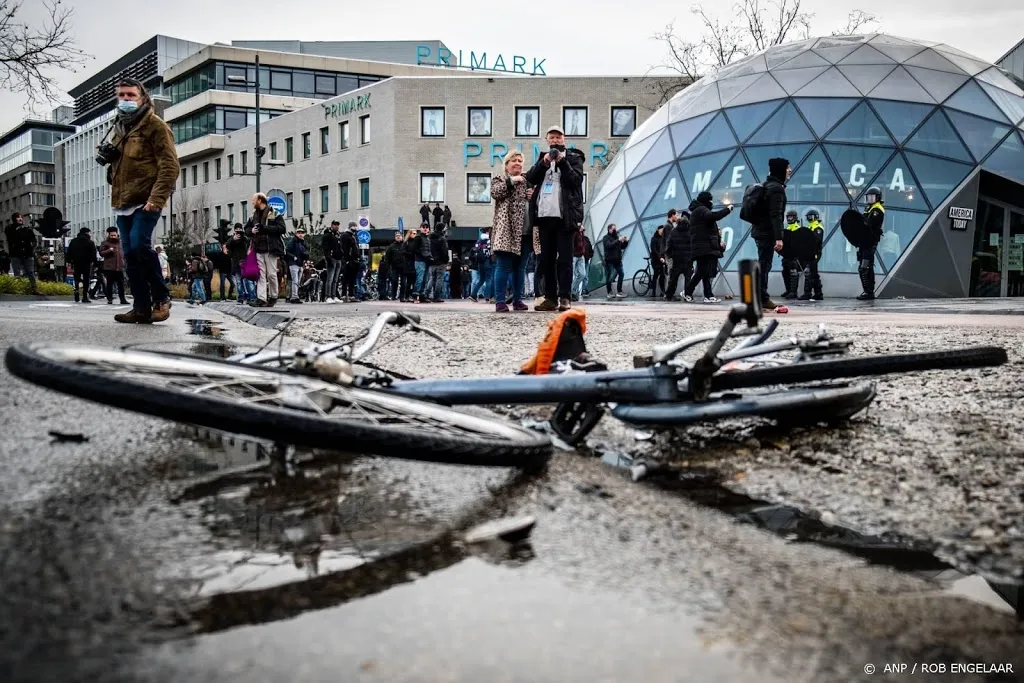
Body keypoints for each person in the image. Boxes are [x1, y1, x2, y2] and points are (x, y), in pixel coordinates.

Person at [103, 77, 178, 324]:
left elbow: (170, 165)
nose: (125, 100)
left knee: (138, 246)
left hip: (147, 199)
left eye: (131, 95)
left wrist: (156, 198)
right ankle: (141, 307)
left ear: (143, 98)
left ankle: (162, 298)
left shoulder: (155, 126)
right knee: (131, 256)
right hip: (123, 201)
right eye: (122, 95)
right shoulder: (118, 127)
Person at [525, 125, 586, 312]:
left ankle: (565, 297)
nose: (555, 141)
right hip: (544, 216)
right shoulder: (542, 158)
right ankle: (550, 297)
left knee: (565, 259)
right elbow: (531, 178)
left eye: (558, 137)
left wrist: (561, 161)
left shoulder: (574, 158)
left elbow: (575, 181)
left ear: (564, 139)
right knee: (546, 260)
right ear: (547, 139)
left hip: (564, 217)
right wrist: (543, 163)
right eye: (551, 137)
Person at [489, 149, 532, 313]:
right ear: (506, 165)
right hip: (506, 231)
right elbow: (495, 192)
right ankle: (500, 301)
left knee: (520, 268)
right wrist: (512, 181)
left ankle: (517, 299)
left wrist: (532, 195)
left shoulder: (527, 181)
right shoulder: (500, 179)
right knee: (503, 266)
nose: (517, 164)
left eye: (520, 161)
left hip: (525, 231)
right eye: (514, 161)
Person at [750, 157, 790, 311]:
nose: (790, 170)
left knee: (763, 264)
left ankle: (760, 297)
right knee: (765, 265)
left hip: (759, 232)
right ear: (780, 169)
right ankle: (762, 299)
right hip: (766, 233)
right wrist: (779, 238)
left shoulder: (767, 185)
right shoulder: (776, 188)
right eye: (787, 167)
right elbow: (776, 214)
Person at [684, 192, 731, 303]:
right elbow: (714, 216)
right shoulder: (701, 210)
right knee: (703, 272)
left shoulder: (698, 210)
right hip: (704, 247)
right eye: (710, 200)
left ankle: (706, 295)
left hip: (704, 246)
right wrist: (728, 210)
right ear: (705, 200)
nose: (712, 202)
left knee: (704, 272)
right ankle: (695, 293)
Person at [243, 192, 286, 307]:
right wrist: (251, 231)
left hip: (271, 249)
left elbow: (282, 228)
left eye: (254, 200)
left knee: (271, 274)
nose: (252, 202)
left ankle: (273, 296)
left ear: (260, 200)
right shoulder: (253, 216)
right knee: (261, 274)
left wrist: (265, 228)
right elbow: (246, 229)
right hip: (258, 249)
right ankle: (261, 298)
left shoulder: (274, 214)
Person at [859, 186, 885, 301]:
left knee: (865, 266)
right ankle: (867, 291)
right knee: (863, 266)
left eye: (872, 197)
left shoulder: (877, 210)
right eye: (868, 197)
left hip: (870, 241)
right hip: (864, 241)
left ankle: (869, 292)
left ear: (877, 198)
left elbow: (868, 224)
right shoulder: (869, 208)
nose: (869, 199)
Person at [664, 210, 693, 301]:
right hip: (688, 259)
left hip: (677, 259)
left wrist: (670, 255)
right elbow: (693, 244)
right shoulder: (690, 232)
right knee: (688, 278)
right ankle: (688, 295)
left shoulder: (674, 231)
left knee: (673, 279)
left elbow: (669, 245)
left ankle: (669, 295)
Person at [6, 212, 38, 293]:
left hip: (27, 253)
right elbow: (10, 238)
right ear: (14, 219)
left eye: (21, 217)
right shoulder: (10, 228)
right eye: (18, 217)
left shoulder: (27, 229)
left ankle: (34, 288)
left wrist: (32, 247)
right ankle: (18, 289)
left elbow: (34, 240)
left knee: (30, 272)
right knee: (17, 272)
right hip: (16, 253)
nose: (20, 219)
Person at [798, 209, 825, 301]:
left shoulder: (817, 227)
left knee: (809, 272)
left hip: (814, 253)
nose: (810, 218)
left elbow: (816, 240)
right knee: (814, 274)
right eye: (808, 217)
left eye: (811, 216)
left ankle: (807, 293)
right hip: (808, 252)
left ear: (816, 217)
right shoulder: (809, 227)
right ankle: (818, 293)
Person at [98, 227, 129, 304]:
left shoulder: (121, 243)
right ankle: (110, 299)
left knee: (121, 284)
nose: (113, 237)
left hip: (120, 267)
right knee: (109, 284)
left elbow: (125, 253)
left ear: (117, 235)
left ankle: (123, 299)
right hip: (110, 267)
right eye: (111, 235)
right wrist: (109, 250)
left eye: (114, 235)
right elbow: (101, 253)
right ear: (109, 235)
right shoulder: (105, 243)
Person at [66, 228, 96, 303]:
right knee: (86, 279)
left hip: (76, 263)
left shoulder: (73, 241)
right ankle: (85, 296)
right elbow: (93, 254)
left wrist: (69, 261)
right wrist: (95, 263)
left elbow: (69, 252)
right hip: (86, 263)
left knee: (76, 278)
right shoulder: (90, 242)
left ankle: (76, 291)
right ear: (87, 233)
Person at [224, 225, 252, 304]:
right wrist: (233, 239)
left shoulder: (245, 238)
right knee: (238, 281)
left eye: (240, 229)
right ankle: (241, 297)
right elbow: (227, 247)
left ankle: (250, 297)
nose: (239, 231)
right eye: (237, 230)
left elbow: (249, 245)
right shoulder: (231, 239)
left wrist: (244, 237)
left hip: (245, 262)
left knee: (247, 281)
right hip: (236, 263)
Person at [601, 224, 627, 299]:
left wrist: (625, 241)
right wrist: (618, 240)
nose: (615, 230)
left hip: (618, 260)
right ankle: (609, 292)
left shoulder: (616, 237)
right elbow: (609, 245)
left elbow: (622, 247)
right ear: (609, 229)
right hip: (610, 260)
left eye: (615, 229)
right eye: (613, 229)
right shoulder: (606, 238)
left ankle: (619, 291)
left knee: (621, 274)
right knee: (609, 277)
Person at [781, 210, 802, 298]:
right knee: (785, 272)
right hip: (786, 255)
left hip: (794, 256)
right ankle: (788, 290)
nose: (789, 219)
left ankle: (793, 292)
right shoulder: (788, 228)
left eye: (791, 217)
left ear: (795, 217)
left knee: (793, 272)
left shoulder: (797, 228)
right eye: (788, 217)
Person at [322, 220, 344, 303]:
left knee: (335, 279)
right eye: (335, 224)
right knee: (330, 279)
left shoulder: (338, 235)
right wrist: (328, 258)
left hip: (338, 258)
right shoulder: (327, 235)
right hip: (332, 258)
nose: (336, 226)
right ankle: (328, 296)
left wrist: (342, 255)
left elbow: (340, 246)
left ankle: (334, 296)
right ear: (331, 225)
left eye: (338, 225)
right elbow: (325, 248)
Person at [469, 227, 493, 302]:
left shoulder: (478, 242)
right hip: (487, 261)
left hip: (480, 263)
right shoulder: (488, 241)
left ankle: (473, 294)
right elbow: (489, 252)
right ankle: (487, 296)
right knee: (489, 279)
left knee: (481, 280)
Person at [285, 227, 308, 304]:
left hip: (300, 264)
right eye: (299, 233)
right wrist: (294, 257)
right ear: (296, 234)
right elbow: (287, 251)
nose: (300, 234)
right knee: (295, 281)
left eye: (302, 233)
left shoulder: (303, 243)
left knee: (297, 281)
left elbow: (305, 252)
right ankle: (294, 297)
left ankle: (294, 296)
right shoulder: (293, 241)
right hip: (293, 263)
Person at [427, 223, 449, 302]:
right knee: (439, 279)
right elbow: (444, 251)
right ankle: (436, 296)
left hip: (432, 261)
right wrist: (446, 260)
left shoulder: (429, 238)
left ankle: (427, 294)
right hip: (440, 262)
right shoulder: (442, 239)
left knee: (432, 278)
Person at [340, 221, 360, 302]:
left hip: (354, 260)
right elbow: (344, 248)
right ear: (350, 227)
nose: (355, 227)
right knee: (346, 278)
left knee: (352, 279)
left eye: (355, 226)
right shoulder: (346, 236)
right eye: (354, 226)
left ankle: (351, 295)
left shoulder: (353, 236)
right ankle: (344, 295)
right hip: (349, 260)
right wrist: (347, 259)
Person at [383, 231, 405, 300]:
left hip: (404, 267)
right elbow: (387, 258)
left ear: (402, 236)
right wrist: (388, 267)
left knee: (403, 282)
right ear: (395, 237)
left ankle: (402, 296)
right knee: (394, 281)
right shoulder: (391, 246)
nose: (398, 237)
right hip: (395, 267)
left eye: (399, 235)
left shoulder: (404, 245)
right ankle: (393, 296)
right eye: (397, 236)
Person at [649, 223, 667, 298]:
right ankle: (653, 292)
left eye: (663, 230)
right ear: (658, 230)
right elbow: (654, 250)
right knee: (656, 275)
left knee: (662, 276)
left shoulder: (663, 238)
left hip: (662, 260)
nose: (662, 231)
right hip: (655, 259)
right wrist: (659, 257)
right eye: (661, 229)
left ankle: (662, 291)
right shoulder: (654, 238)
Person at [570, 223, 587, 301]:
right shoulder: (575, 233)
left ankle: (573, 290)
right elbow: (571, 244)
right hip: (574, 255)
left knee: (582, 274)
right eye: (582, 226)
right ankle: (573, 292)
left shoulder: (582, 234)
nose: (584, 227)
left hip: (581, 256)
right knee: (571, 274)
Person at [400, 229, 418, 302]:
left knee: (414, 281)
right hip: (408, 264)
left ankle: (412, 295)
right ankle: (406, 296)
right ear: (409, 234)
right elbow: (403, 252)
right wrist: (410, 254)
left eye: (415, 233)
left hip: (415, 263)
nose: (415, 234)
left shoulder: (417, 242)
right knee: (407, 282)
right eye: (413, 233)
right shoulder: (406, 243)